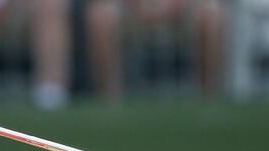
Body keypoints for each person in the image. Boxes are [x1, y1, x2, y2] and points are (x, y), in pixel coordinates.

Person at [84, 0, 225, 98]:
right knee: (101, 15)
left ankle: (210, 97)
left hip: (181, 13)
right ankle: (110, 99)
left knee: (212, 13)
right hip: (131, 12)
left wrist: (173, 5)